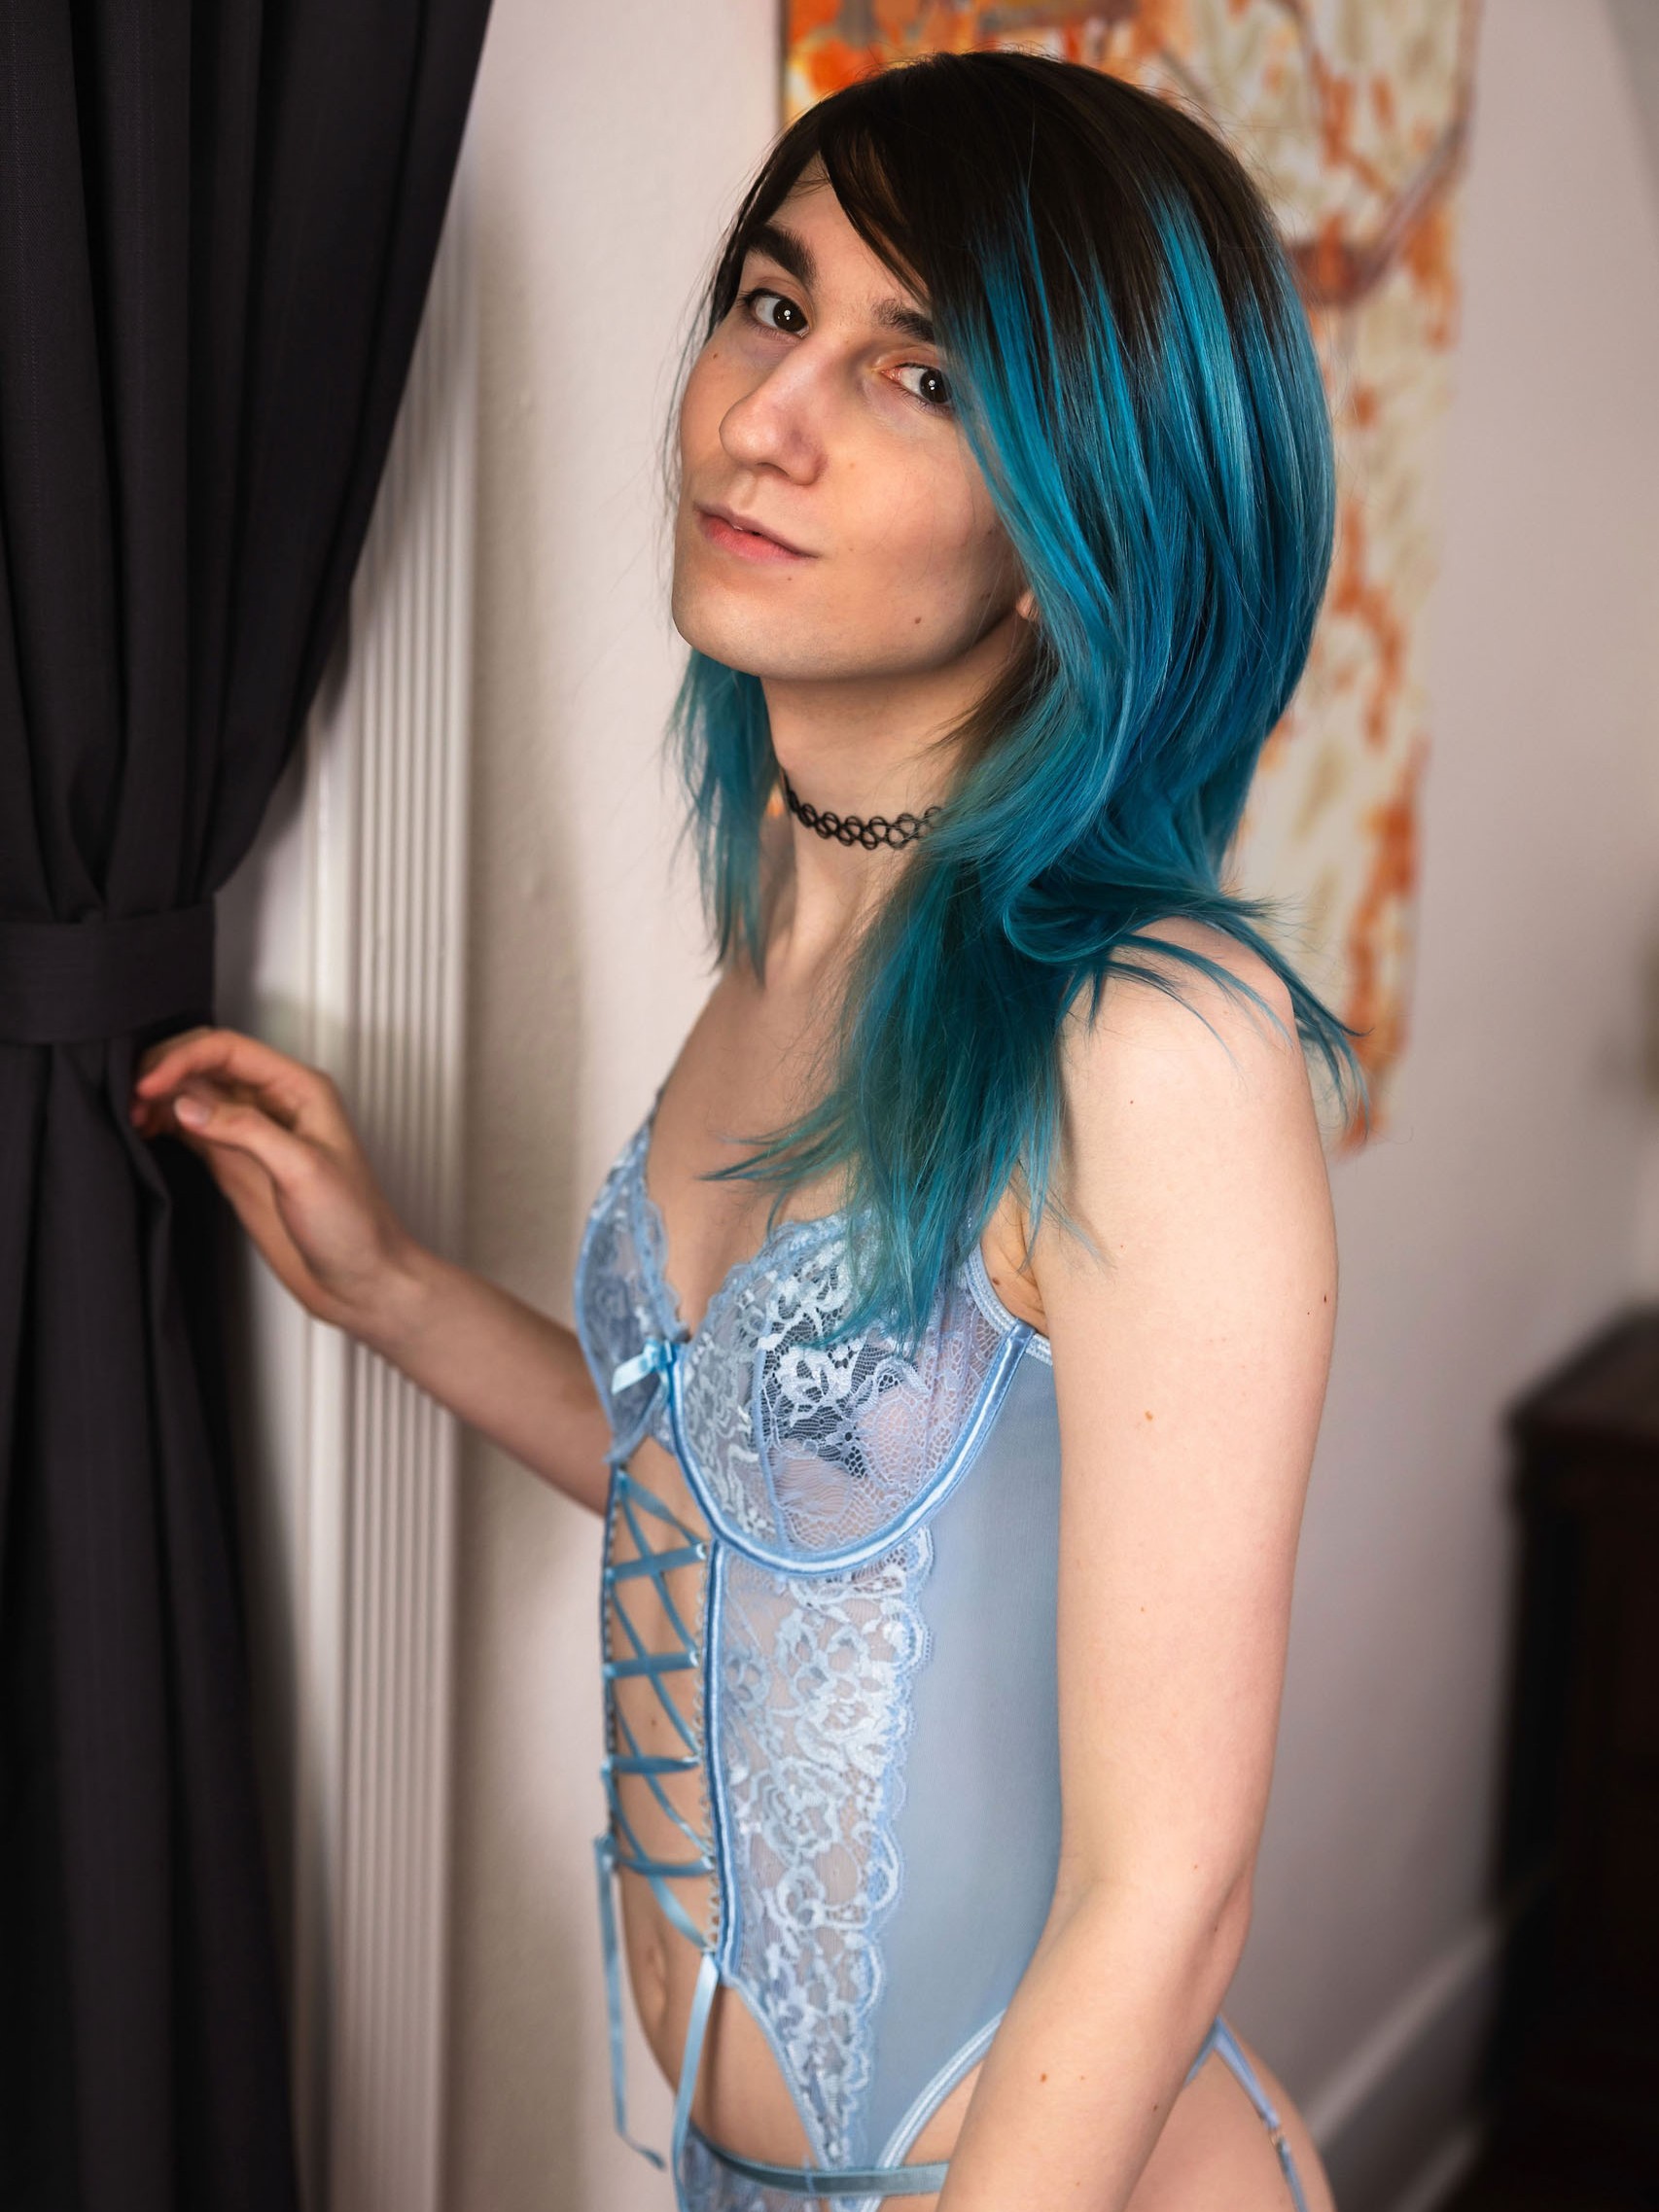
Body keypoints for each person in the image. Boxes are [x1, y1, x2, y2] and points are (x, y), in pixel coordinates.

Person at [130, 49, 1364, 2212]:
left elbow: (1166, 1890)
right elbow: (763, 1511)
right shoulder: (785, 946)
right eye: (773, 306)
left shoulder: (1150, 1040)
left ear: (1079, 524)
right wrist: (396, 1291)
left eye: (920, 376)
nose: (765, 417)